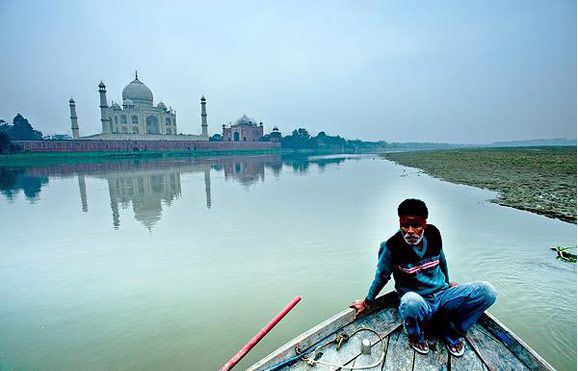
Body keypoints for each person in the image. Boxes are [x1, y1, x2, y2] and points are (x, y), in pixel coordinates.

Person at [349, 198, 497, 357]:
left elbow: (443, 262)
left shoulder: (433, 235)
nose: (410, 231)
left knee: (488, 292)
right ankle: (416, 337)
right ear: (400, 224)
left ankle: (454, 332)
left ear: (424, 224)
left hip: (441, 295)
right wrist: (367, 302)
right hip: (419, 301)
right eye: (405, 225)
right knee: (410, 302)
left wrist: (447, 283)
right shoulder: (391, 246)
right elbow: (381, 276)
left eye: (416, 225)